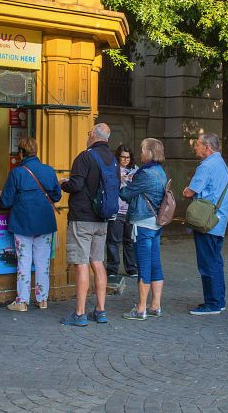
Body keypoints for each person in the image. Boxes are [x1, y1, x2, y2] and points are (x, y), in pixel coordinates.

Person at [0, 136, 61, 311]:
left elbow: (6, 201)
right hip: (45, 222)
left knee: (24, 262)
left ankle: (22, 301)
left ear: (21, 153)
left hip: (23, 223)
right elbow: (56, 196)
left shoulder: (17, 173)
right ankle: (42, 300)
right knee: (43, 262)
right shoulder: (48, 171)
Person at [59, 123, 115, 327]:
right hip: (102, 218)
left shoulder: (85, 156)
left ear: (92, 134)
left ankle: (80, 313)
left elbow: (76, 185)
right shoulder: (112, 159)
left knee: (81, 264)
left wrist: (63, 183)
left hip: (82, 218)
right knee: (98, 262)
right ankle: (100, 311)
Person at [119, 138, 168, 321]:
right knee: (155, 263)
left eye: (142, 150)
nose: (140, 154)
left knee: (144, 265)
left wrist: (123, 182)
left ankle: (141, 309)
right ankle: (155, 305)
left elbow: (125, 194)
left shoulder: (145, 173)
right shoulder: (160, 171)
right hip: (156, 223)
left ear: (149, 152)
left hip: (143, 223)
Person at [183, 133, 228, 316]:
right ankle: (219, 300)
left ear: (207, 147)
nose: (195, 148)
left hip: (207, 220)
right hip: (219, 220)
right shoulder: (221, 164)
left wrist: (185, 190)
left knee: (207, 262)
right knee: (216, 261)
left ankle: (213, 303)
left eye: (197, 145)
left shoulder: (207, 165)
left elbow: (191, 191)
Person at [106, 144, 138, 279]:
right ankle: (112, 268)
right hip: (116, 209)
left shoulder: (136, 170)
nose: (125, 160)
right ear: (118, 157)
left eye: (128, 157)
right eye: (123, 157)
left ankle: (131, 268)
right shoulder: (113, 169)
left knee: (129, 241)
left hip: (131, 211)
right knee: (113, 240)